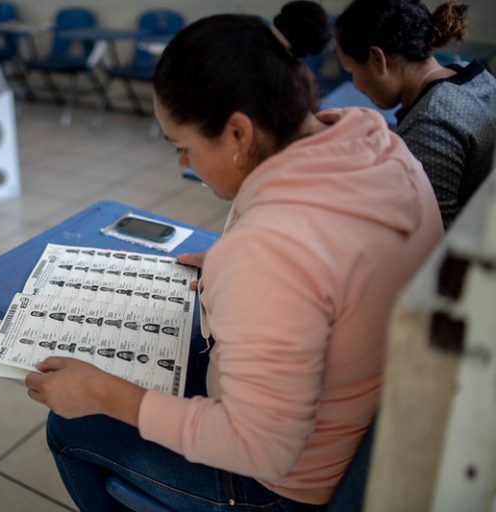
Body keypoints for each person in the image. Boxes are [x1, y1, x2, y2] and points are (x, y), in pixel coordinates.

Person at [25, 2, 443, 510]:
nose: (184, 163)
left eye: (183, 146)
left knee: (70, 424)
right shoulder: (379, 144)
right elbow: (324, 262)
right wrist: (245, 273)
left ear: (239, 135)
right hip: (363, 422)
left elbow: (260, 450)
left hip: (286, 483)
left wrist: (106, 396)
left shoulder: (268, 254)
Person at [335, 0, 496, 229]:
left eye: (351, 72)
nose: (356, 85)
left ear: (377, 59)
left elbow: (432, 235)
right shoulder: (469, 73)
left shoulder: (430, 123)